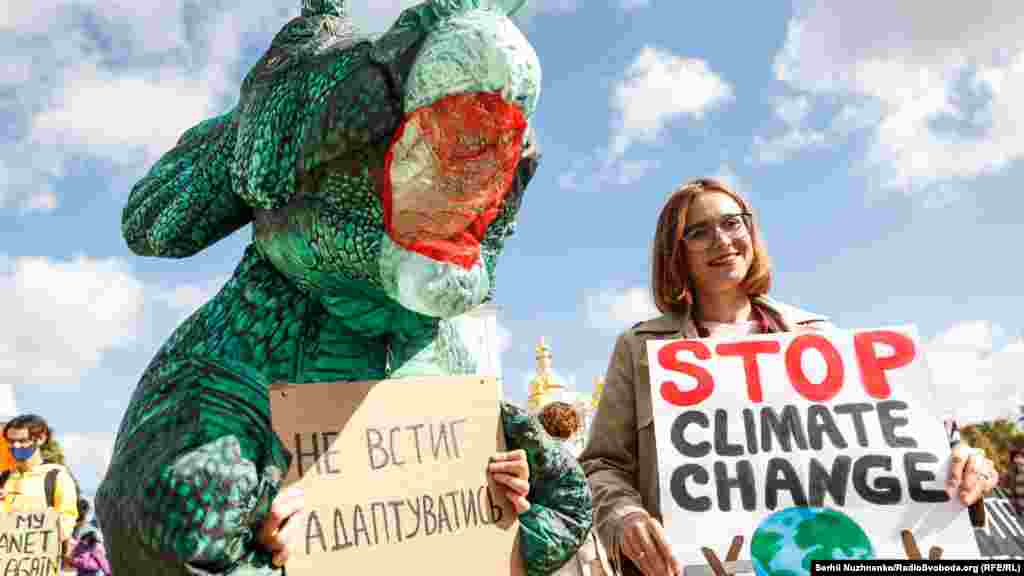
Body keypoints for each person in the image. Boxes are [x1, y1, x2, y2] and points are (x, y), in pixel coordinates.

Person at [577, 178, 1000, 576]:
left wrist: (967, 466)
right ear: (676, 251)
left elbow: (898, 445)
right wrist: (624, 517)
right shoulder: (639, 349)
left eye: (731, 223)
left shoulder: (821, 337)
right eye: (699, 232)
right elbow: (602, 464)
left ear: (750, 231)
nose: (722, 240)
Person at [0, 414, 80, 570]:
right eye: (11, 441)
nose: (15, 446)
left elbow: (67, 519)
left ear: (40, 439)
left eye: (22, 441)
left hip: (40, 568)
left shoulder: (56, 476)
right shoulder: (4, 478)